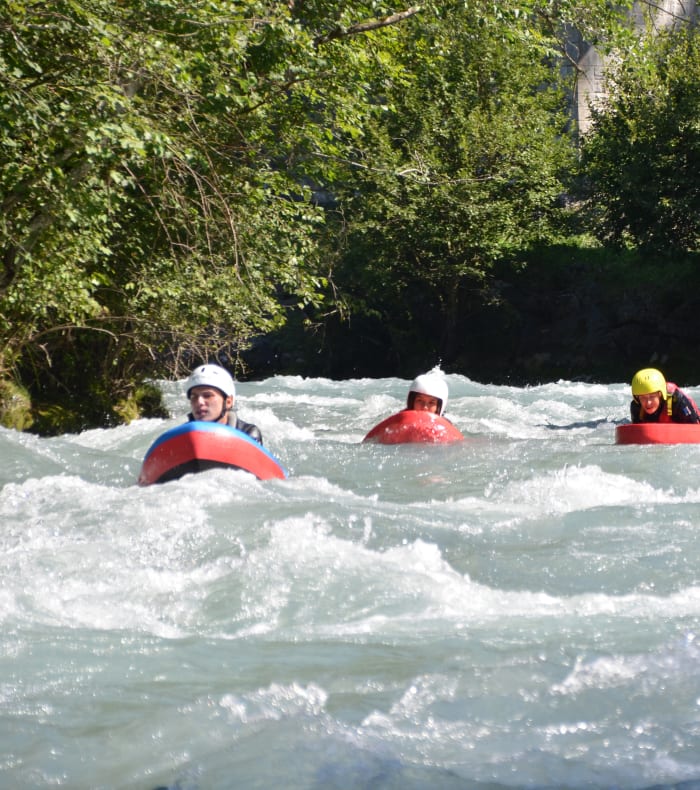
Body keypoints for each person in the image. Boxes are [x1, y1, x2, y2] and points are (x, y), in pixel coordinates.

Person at [186, 364, 263, 443]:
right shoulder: (182, 434)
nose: (199, 402)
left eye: (207, 395)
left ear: (228, 402)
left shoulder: (248, 435)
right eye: (193, 397)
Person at [630, 367, 700, 424]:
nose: (648, 402)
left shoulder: (676, 401)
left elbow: (694, 428)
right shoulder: (636, 407)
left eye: (652, 396)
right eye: (643, 397)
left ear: (660, 394)